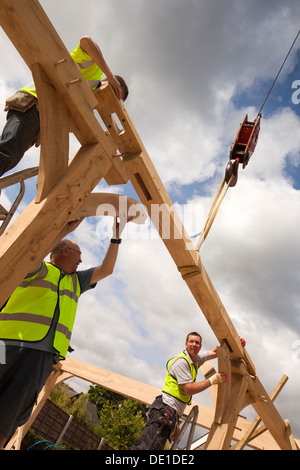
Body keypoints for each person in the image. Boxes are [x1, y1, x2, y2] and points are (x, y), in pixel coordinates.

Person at [0, 216, 128, 449]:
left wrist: (116, 237)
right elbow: (34, 250)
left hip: (40, 356)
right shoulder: (37, 268)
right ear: (66, 251)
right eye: (79, 255)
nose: (82, 260)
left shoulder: (77, 282)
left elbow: (107, 269)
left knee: (7, 416)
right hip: (5, 345)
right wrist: (62, 229)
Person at [0, 36, 129, 177]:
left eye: (115, 99)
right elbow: (86, 42)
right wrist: (110, 75)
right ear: (109, 82)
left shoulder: (87, 107)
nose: (111, 96)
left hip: (39, 124)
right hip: (34, 104)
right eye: (113, 89)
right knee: (9, 152)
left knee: (11, 157)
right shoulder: (94, 70)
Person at [130, 332, 228, 450]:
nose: (194, 344)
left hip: (170, 412)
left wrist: (233, 345)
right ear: (186, 344)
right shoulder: (181, 362)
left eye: (197, 342)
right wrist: (211, 381)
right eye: (191, 341)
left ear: (200, 346)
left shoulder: (195, 359)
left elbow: (215, 352)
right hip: (165, 409)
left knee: (150, 446)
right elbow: (189, 389)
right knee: (148, 448)